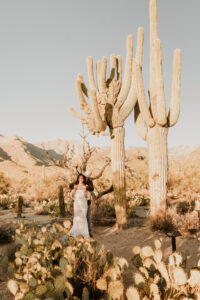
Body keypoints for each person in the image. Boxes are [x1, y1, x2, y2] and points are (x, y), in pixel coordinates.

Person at [70, 174, 90, 239]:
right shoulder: (75, 186)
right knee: (76, 218)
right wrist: (75, 189)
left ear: (83, 179)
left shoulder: (85, 186)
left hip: (83, 205)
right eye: (79, 178)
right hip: (77, 205)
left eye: (82, 178)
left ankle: (83, 233)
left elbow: (87, 197)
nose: (81, 179)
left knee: (83, 218)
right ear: (78, 179)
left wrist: (84, 191)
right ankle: (76, 232)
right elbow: (72, 196)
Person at [83, 170, 94, 238]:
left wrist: (86, 187)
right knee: (83, 217)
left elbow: (92, 188)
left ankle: (89, 231)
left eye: (87, 177)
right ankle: (83, 231)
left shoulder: (90, 182)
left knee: (88, 217)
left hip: (87, 201)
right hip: (81, 201)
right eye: (85, 176)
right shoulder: (81, 181)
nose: (86, 178)